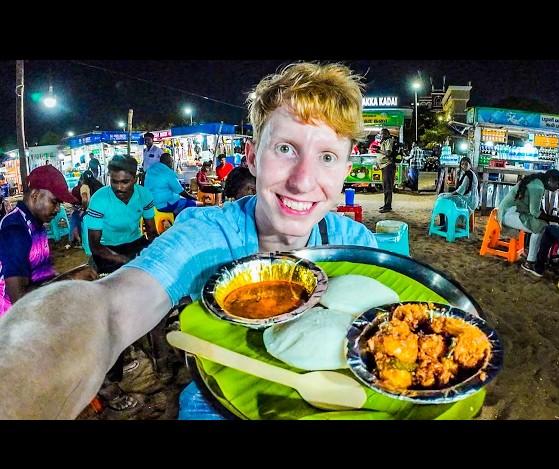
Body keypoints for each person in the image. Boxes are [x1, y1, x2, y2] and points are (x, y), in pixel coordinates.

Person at [0, 61, 378, 419]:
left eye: (327, 156)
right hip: (213, 400)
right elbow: (112, 308)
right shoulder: (208, 234)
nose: (303, 180)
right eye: (284, 149)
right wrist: (22, 373)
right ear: (252, 157)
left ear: (346, 171)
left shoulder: (356, 244)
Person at [84, 154, 159, 411]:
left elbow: (151, 231)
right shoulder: (99, 199)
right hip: (106, 251)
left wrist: (155, 253)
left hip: (132, 244)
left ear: (134, 179)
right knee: (113, 310)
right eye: (114, 181)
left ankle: (128, 351)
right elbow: (95, 245)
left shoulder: (144, 195)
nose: (118, 186)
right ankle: (112, 378)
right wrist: (125, 261)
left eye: (124, 181)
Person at [0, 165, 78, 317]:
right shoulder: (16, 231)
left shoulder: (36, 223)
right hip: (10, 325)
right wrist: (68, 278)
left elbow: (41, 272)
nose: (58, 209)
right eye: (55, 202)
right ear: (35, 195)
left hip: (34, 315)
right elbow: (19, 299)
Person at [497, 169, 559, 275]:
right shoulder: (537, 187)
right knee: (540, 228)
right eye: (558, 184)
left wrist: (551, 219)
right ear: (550, 180)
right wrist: (557, 219)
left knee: (542, 225)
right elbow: (535, 212)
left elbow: (537, 208)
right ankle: (530, 262)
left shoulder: (538, 182)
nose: (558, 187)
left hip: (513, 210)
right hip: (507, 214)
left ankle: (532, 255)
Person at [378, 128, 395, 212]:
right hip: (384, 166)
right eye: (381, 134)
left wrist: (378, 150)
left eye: (384, 134)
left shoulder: (389, 141)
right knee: (385, 186)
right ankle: (386, 204)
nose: (382, 135)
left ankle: (388, 206)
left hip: (388, 165)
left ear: (388, 134)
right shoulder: (383, 142)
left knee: (388, 186)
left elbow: (388, 153)